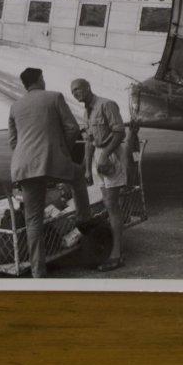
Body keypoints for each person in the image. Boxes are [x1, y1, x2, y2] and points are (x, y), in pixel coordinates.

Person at [8, 67, 95, 277]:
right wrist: (62, 151)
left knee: (33, 219)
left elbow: (13, 141)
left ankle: (38, 271)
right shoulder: (54, 97)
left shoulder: (15, 105)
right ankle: (84, 221)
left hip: (24, 167)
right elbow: (73, 128)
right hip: (53, 162)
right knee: (79, 176)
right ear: (39, 80)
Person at [71, 78, 129, 272]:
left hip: (111, 156)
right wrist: (87, 168)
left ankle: (117, 254)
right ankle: (114, 245)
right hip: (99, 158)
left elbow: (120, 132)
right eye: (73, 91)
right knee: (107, 203)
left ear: (88, 87)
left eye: (78, 89)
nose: (75, 93)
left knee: (112, 205)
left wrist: (104, 154)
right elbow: (89, 141)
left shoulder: (106, 104)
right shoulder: (87, 111)